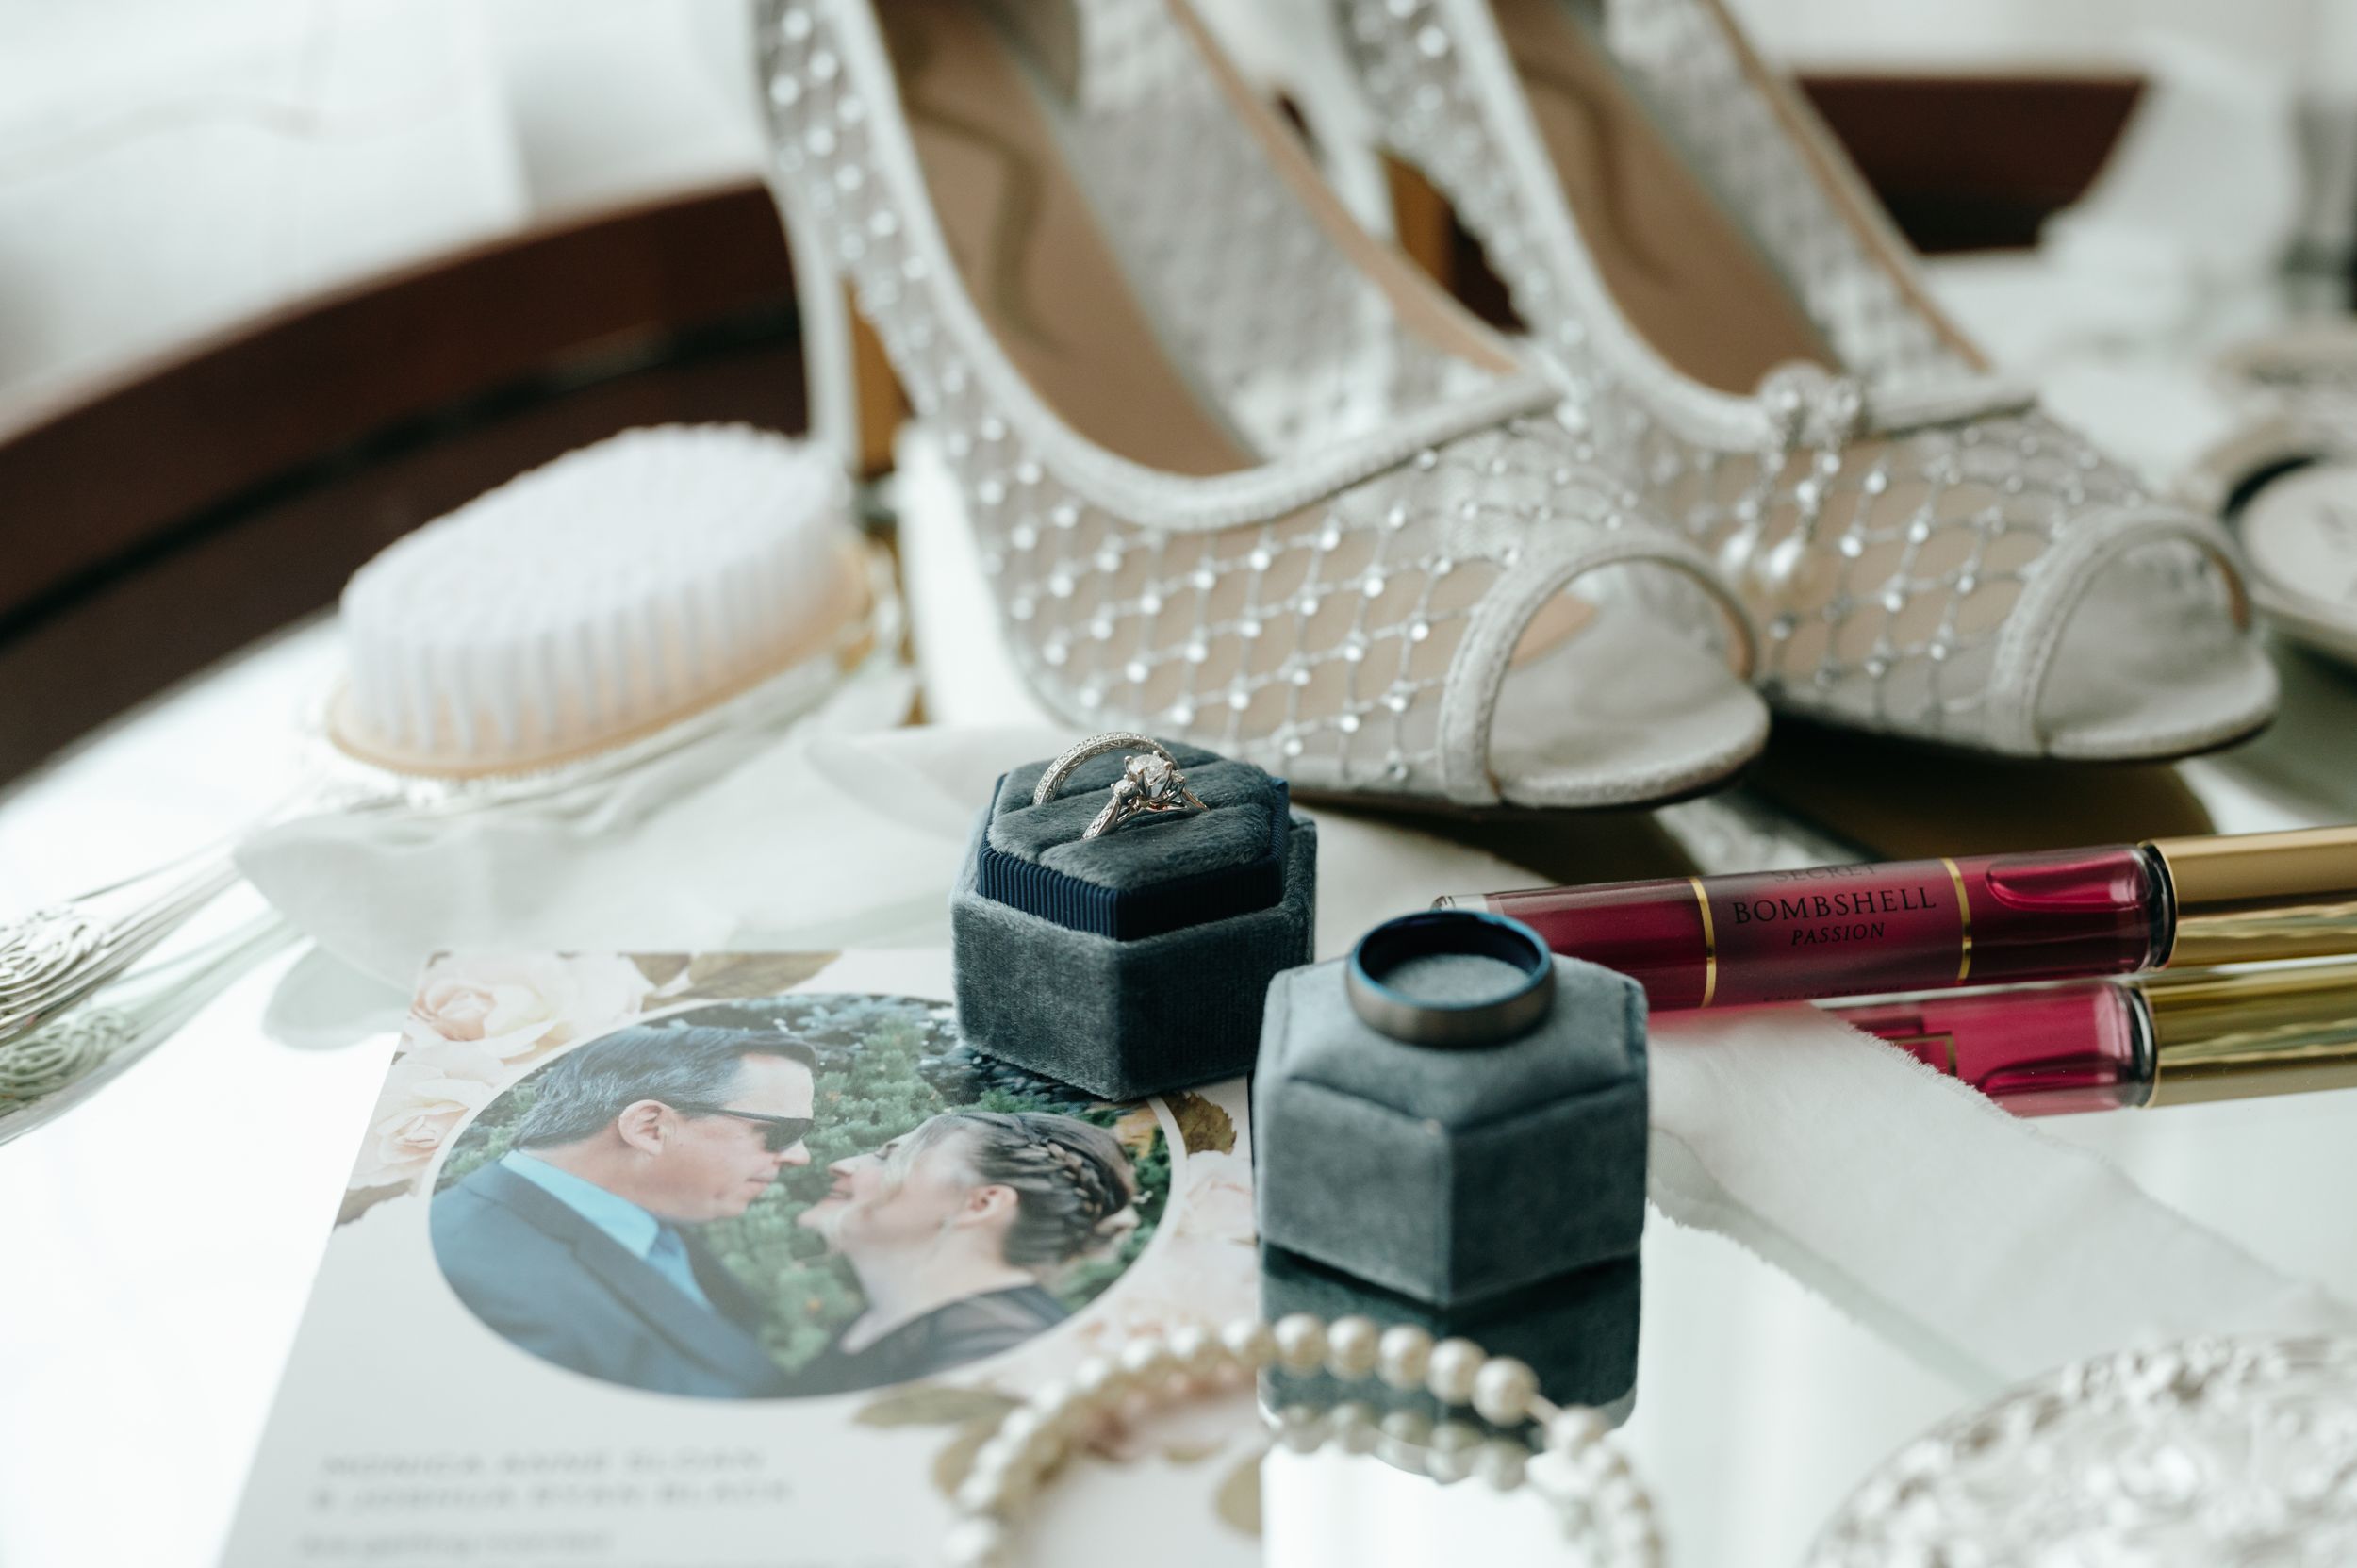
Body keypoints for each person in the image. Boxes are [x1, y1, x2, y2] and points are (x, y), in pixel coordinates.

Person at [431, 1024, 816, 1398]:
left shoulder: (642, 1218)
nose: (800, 1157)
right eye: (780, 1135)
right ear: (650, 1128)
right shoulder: (475, 1283)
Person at [791, 1110, 1138, 1395]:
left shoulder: (997, 1349)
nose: (842, 1164)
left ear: (981, 1204)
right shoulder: (890, 1321)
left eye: (889, 1159)